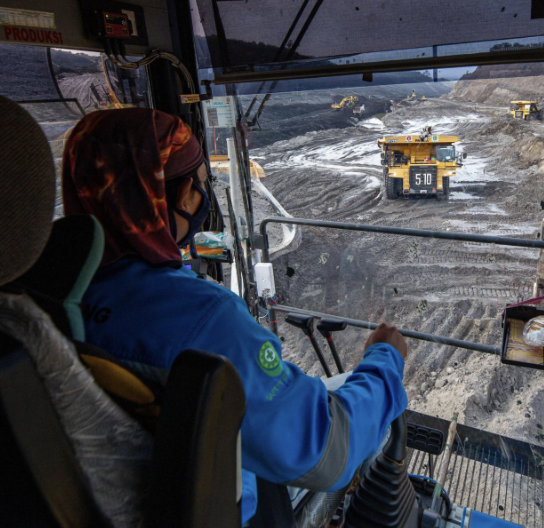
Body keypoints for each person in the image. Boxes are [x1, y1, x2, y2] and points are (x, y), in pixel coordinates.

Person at [62, 108, 409, 524]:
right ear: (156, 197)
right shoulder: (201, 316)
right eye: (198, 187)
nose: (201, 201)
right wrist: (384, 362)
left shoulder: (54, 296)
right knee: (382, 418)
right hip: (223, 508)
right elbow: (327, 452)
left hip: (120, 499)